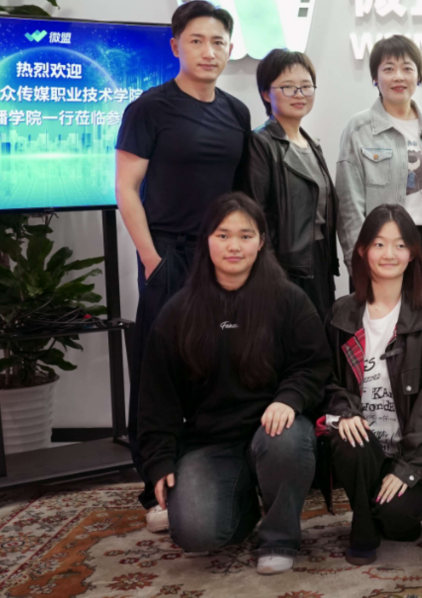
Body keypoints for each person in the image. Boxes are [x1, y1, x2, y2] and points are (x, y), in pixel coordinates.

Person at [137, 193, 330, 575]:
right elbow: (157, 397)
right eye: (223, 235)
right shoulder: (178, 311)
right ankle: (244, 507)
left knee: (286, 440)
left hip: (274, 431)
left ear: (261, 241)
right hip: (210, 443)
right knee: (194, 533)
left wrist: (289, 399)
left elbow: (314, 366)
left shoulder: (289, 300)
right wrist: (159, 460)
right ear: (206, 240)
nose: (234, 246)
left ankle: (279, 537)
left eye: (245, 235)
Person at [115, 0, 252, 528]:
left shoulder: (236, 112)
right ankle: (154, 486)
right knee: (161, 369)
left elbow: (239, 197)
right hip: (169, 255)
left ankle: (210, 475)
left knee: (217, 364)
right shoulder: (149, 108)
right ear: (176, 46)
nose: (208, 51)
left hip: (223, 259)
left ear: (230, 48)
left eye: (218, 41)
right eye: (197, 40)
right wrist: (151, 258)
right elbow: (127, 189)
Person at [319, 204, 422, 566]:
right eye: (379, 244)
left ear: (413, 253)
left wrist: (408, 468)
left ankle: (381, 508)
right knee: (349, 436)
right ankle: (362, 527)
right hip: (361, 448)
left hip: (409, 452)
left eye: (400, 245)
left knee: (400, 523)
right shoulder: (341, 313)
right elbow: (326, 381)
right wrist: (345, 410)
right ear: (362, 250)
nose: (389, 254)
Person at [336, 35, 422, 298]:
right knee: (376, 320)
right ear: (375, 78)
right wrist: (358, 258)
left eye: (407, 68)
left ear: (418, 76)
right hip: (378, 248)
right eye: (388, 69)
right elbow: (349, 202)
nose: (399, 76)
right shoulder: (360, 129)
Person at [246, 48, 339, 322]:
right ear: (266, 93)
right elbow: (255, 215)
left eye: (306, 86)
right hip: (284, 266)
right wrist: (270, 272)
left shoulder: (312, 144)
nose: (299, 94)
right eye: (288, 87)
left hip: (318, 261)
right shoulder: (261, 143)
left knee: (320, 337)